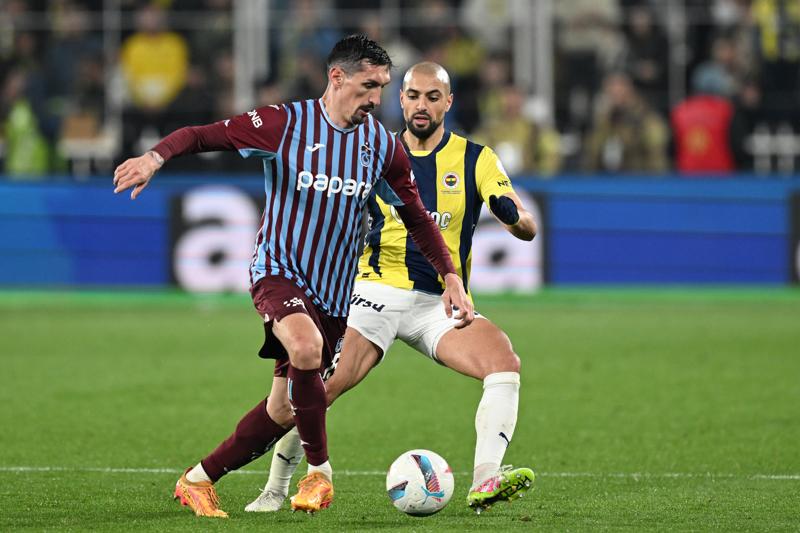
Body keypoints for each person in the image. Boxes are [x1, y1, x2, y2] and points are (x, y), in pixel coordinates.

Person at [112, 36, 473, 517]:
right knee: (305, 348)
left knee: (283, 409)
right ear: (337, 77)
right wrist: (154, 158)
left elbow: (417, 218)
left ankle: (197, 479)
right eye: (368, 85)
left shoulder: (382, 146)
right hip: (278, 271)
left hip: (333, 295)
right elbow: (202, 135)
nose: (376, 98)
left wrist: (450, 276)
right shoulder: (284, 124)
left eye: (382, 87)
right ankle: (319, 473)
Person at [246, 62, 536, 516]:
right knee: (317, 389)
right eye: (414, 95)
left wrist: (511, 216)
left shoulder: (477, 159)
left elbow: (526, 224)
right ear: (401, 99)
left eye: (433, 97)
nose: (422, 105)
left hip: (438, 303)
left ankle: (485, 479)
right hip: (373, 293)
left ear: (448, 102)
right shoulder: (372, 150)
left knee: (504, 363)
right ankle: (275, 489)